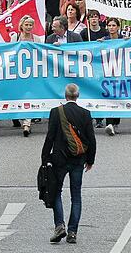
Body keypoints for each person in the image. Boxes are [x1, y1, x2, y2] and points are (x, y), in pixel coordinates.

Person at [41, 83, 96, 246]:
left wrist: (44, 158)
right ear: (77, 96)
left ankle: (59, 226)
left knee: (56, 192)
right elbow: (91, 139)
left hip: (59, 160)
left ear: (65, 96)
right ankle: (72, 232)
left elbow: (50, 136)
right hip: (78, 160)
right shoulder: (85, 114)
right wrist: (90, 160)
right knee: (76, 196)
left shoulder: (56, 112)